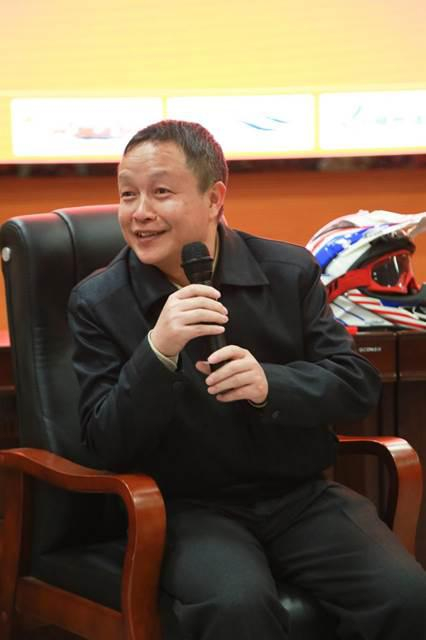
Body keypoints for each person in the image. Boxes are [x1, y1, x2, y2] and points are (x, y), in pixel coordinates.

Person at [68, 119, 426, 640]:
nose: (139, 212)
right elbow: (102, 441)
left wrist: (270, 385)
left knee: (408, 597)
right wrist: (156, 351)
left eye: (161, 193)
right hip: (186, 509)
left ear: (214, 199)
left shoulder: (288, 270)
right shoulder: (98, 301)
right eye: (127, 195)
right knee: (238, 609)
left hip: (300, 498)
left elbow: (356, 384)